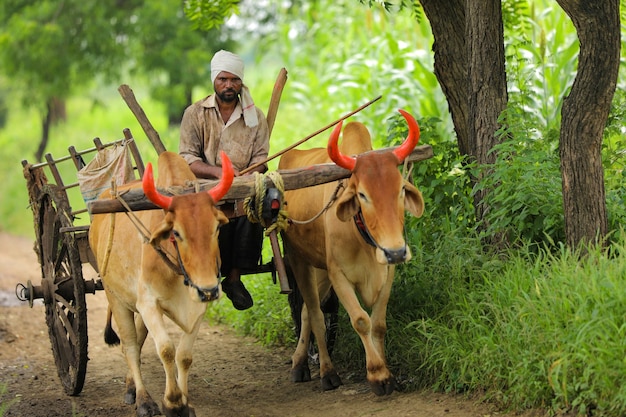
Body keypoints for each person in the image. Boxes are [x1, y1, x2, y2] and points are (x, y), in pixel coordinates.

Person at [179, 50, 270, 310]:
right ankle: (204, 275)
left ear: (241, 82)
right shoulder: (195, 114)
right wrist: (218, 173)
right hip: (204, 189)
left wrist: (251, 175)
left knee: (256, 209)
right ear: (214, 81)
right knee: (202, 224)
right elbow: (187, 157)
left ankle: (233, 279)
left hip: (243, 187)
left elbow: (262, 157)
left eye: (234, 79)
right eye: (223, 79)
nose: (228, 85)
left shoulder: (256, 117)